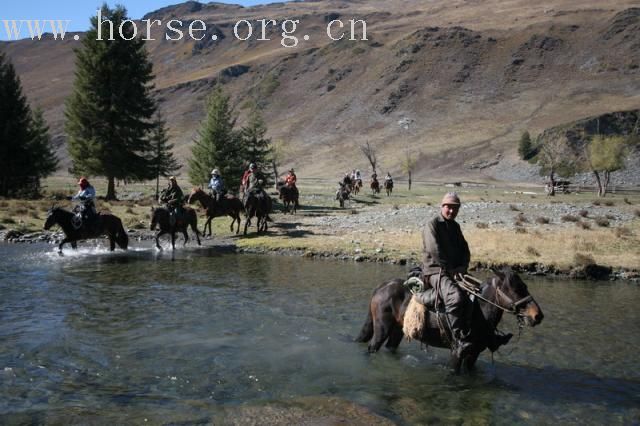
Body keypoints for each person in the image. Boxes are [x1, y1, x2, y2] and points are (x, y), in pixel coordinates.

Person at [413, 192, 512, 357]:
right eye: (449, 207)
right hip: (435, 270)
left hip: (454, 270)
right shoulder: (432, 225)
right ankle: (458, 337)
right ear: (442, 206)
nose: (451, 211)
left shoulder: (455, 226)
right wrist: (450, 269)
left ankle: (488, 337)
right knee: (455, 297)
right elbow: (434, 250)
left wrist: (463, 266)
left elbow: (465, 249)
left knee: (479, 294)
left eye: (455, 208)